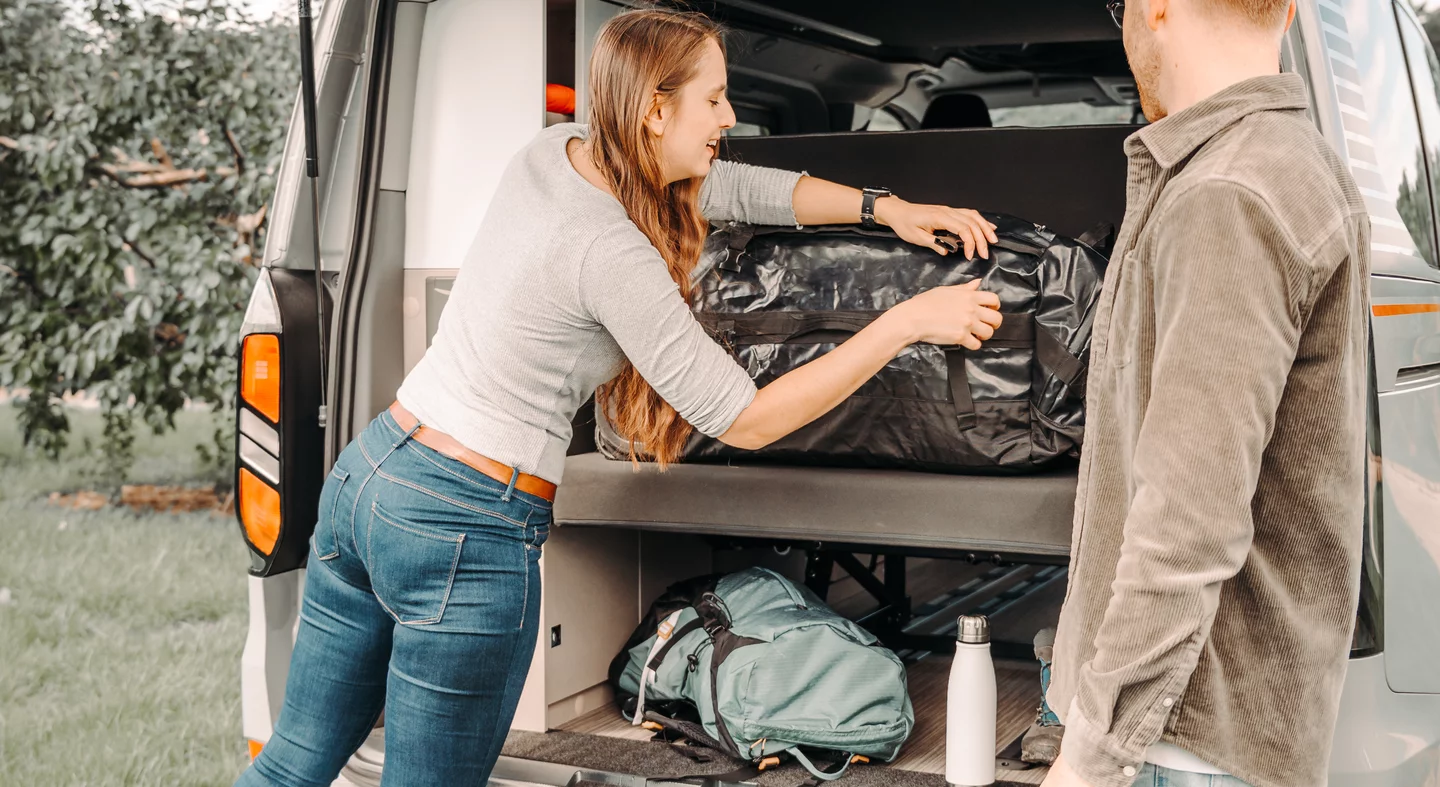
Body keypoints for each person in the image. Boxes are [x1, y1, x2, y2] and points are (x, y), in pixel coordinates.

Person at [236, 8, 1005, 787]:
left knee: (291, 765)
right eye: (714, 101)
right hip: (463, 529)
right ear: (655, 109)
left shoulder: (554, 151)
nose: (730, 119)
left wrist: (886, 209)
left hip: (371, 478)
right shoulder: (609, 250)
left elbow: (732, 186)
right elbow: (746, 417)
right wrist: (906, 321)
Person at [1036, 0, 1370, 785]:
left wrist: (1089, 758)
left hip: (1180, 744)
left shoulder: (1225, 191)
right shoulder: (1292, 165)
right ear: (1287, 10)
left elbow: (1188, 520)